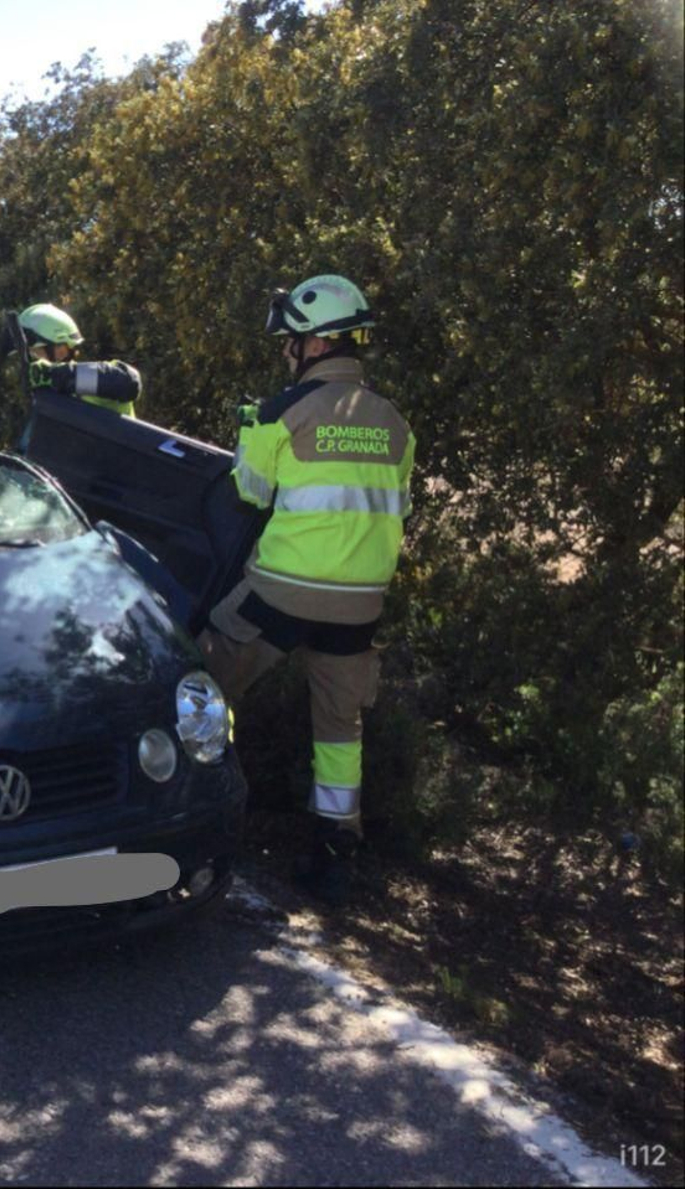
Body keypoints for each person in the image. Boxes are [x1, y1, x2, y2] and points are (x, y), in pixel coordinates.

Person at [196, 275, 415, 906]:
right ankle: (335, 850)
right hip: (360, 606)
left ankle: (197, 813)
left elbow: (248, 496)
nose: (284, 354)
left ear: (314, 345)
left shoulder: (278, 414)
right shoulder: (397, 426)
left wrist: (249, 435)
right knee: (340, 728)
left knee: (199, 691)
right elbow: (392, 506)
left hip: (280, 597)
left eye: (290, 342)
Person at [17, 303, 141, 416]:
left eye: (37, 353)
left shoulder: (90, 382)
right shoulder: (52, 399)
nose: (35, 363)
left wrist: (55, 374)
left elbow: (130, 382)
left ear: (60, 350)